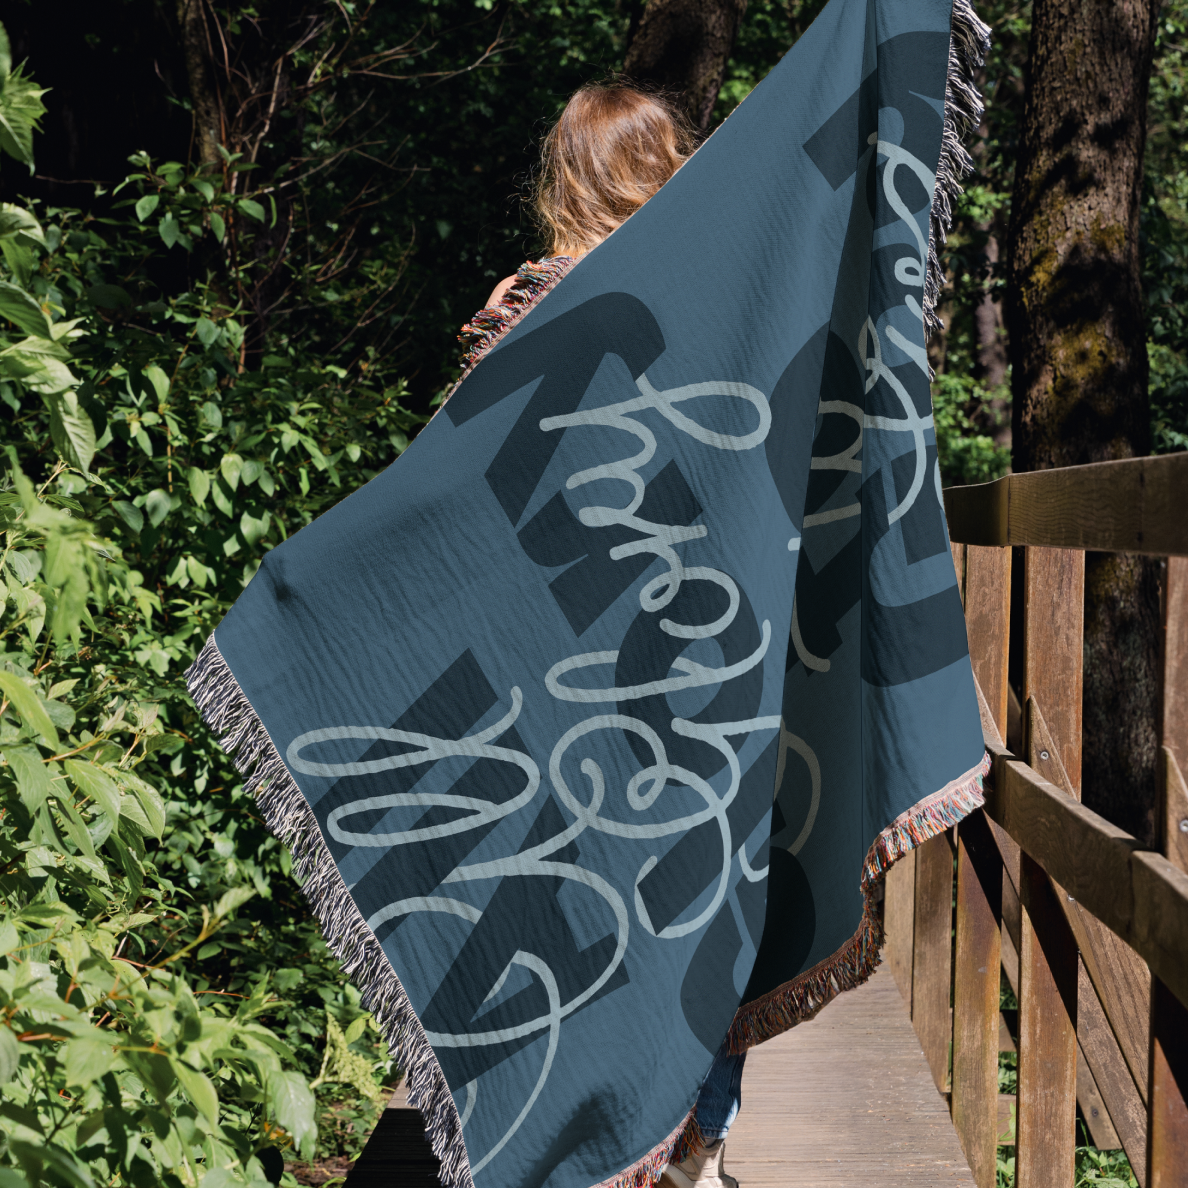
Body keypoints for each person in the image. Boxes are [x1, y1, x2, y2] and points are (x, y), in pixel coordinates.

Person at [451, 81, 745, 1188]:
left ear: (566, 173)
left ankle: (574, 1130)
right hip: (689, 634)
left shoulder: (515, 302)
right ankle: (695, 1141)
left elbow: (467, 473)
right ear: (668, 167)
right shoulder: (712, 293)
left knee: (569, 874)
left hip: (553, 637)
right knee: (702, 880)